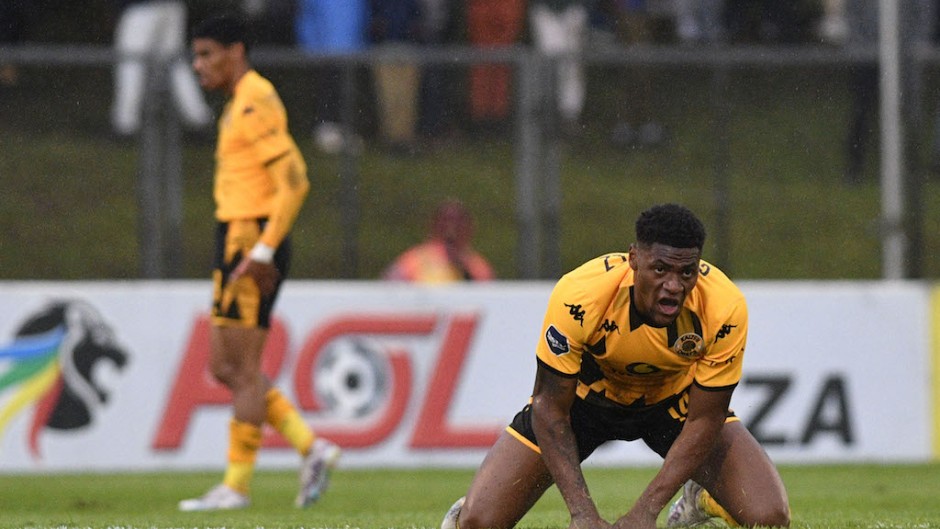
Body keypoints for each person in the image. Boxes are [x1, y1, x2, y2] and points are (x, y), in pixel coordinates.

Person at [440, 203, 790, 529]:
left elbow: (705, 418)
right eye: (660, 269)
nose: (673, 286)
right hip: (585, 405)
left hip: (672, 406)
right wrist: (582, 514)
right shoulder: (581, 294)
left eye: (687, 272)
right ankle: (472, 506)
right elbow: (548, 406)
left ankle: (701, 497)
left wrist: (645, 512)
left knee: (770, 517)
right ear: (634, 258)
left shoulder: (724, 307)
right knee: (478, 523)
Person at [178, 12, 340, 511]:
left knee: (242, 369)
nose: (198, 65)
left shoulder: (256, 99)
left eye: (207, 54)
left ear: (237, 51)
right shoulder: (238, 103)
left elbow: (295, 179)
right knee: (223, 366)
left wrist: (264, 249)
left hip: (251, 240)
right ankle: (312, 448)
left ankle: (236, 486)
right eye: (196, 54)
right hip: (236, 237)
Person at [110, 0, 213, 137]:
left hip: (142, 8)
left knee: (131, 62)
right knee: (175, 64)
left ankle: (125, 125)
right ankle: (198, 118)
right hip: (172, 7)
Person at [382, 200, 495, 282]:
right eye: (445, 221)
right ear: (434, 225)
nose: (451, 228)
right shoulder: (414, 260)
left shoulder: (477, 267)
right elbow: (389, 289)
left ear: (469, 227)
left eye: (458, 222)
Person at [528, 0, 593, 136]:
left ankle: (570, 115)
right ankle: (548, 113)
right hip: (545, 9)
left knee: (573, 66)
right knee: (549, 64)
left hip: (574, 8)